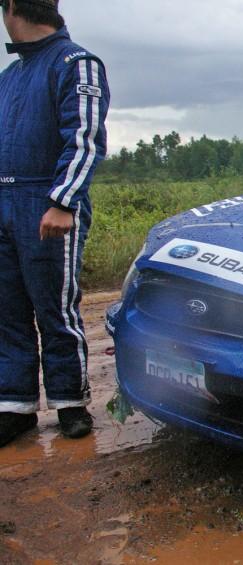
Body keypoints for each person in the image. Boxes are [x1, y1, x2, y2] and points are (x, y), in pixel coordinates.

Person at [0, 0, 109, 446]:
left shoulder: (76, 63)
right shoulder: (8, 77)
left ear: (11, 8)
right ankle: (15, 406)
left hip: (46, 201)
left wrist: (63, 201)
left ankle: (69, 402)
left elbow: (84, 139)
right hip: (4, 199)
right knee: (7, 311)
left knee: (54, 308)